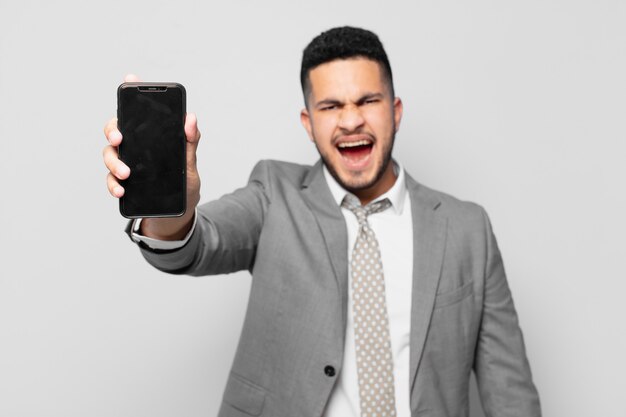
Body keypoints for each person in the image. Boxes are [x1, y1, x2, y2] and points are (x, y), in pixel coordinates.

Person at [103, 26, 541, 417]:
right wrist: (173, 206)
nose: (351, 120)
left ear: (396, 110)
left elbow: (511, 392)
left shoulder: (468, 229)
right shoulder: (275, 195)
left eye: (368, 100)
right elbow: (198, 245)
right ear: (308, 124)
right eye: (332, 106)